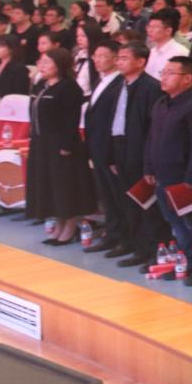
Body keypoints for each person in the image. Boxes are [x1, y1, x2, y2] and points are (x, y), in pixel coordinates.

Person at [143, 55, 192, 285]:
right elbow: (151, 137)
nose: (164, 78)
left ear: (187, 78)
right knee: (175, 222)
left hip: (184, 176)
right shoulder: (162, 102)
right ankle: (189, 262)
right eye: (163, 73)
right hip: (162, 174)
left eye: (170, 73)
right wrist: (148, 166)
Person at [26, 48, 97, 245]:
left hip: (62, 145)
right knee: (49, 185)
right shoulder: (40, 85)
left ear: (60, 65)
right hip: (41, 143)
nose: (42, 66)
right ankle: (58, 223)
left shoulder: (69, 87)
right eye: (41, 62)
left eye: (47, 62)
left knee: (65, 186)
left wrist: (65, 145)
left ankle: (70, 226)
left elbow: (71, 119)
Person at [110, 43, 167, 268]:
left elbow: (153, 128)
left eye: (124, 57)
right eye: (118, 57)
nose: (119, 61)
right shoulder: (119, 85)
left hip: (141, 153)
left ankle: (157, 250)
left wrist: (148, 162)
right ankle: (139, 248)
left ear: (141, 62)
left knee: (149, 204)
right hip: (121, 148)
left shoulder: (151, 87)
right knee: (130, 203)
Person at [79, 40, 123, 254]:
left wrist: (111, 152)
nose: (96, 60)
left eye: (102, 55)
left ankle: (123, 237)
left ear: (115, 59)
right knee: (106, 195)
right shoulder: (100, 80)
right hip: (96, 147)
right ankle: (111, 233)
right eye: (95, 55)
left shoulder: (120, 84)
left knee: (117, 195)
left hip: (110, 149)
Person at [145, 9, 190, 79]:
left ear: (168, 31)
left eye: (154, 27)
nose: (150, 30)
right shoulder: (151, 52)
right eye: (149, 26)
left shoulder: (180, 53)